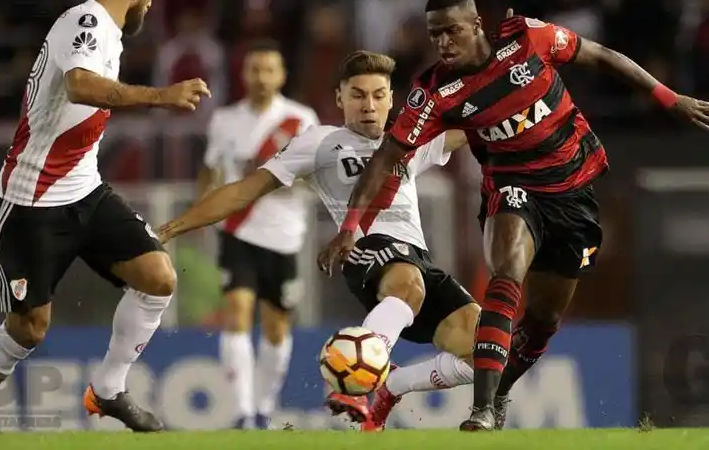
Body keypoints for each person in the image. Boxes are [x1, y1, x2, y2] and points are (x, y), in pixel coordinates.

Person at [318, 0, 709, 431]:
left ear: (476, 24)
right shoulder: (433, 92)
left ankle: (469, 391)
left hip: (573, 193)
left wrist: (669, 97)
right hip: (512, 188)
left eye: (452, 31)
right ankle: (483, 410)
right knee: (506, 271)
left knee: (543, 320)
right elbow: (386, 158)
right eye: (435, 35)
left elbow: (604, 56)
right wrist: (351, 227)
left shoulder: (528, 39)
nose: (444, 43)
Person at [0, 0, 211, 434]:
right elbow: (81, 85)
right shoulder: (86, 22)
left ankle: (109, 389)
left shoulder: (105, 31)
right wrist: (161, 96)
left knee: (158, 278)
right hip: (29, 203)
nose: (153, 1)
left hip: (84, 190)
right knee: (30, 329)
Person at [155, 51, 479, 431]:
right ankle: (353, 384)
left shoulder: (410, 138)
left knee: (489, 350)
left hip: (418, 263)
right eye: (357, 95)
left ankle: (392, 383)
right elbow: (244, 190)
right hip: (365, 251)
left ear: (392, 98)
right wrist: (171, 228)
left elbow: (480, 124)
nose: (369, 106)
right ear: (340, 99)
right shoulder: (319, 142)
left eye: (378, 95)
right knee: (408, 283)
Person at [198, 39, 319, 429]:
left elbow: (317, 177)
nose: (261, 77)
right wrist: (205, 209)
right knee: (237, 313)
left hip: (285, 235)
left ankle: (264, 407)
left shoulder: (301, 120)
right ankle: (242, 412)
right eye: (255, 69)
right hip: (237, 232)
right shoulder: (224, 120)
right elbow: (211, 170)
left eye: (269, 69)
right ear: (244, 73)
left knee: (275, 326)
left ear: (281, 75)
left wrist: (291, 183)